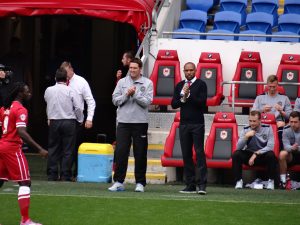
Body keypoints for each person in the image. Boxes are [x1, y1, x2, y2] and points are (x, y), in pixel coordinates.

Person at [0, 82, 48, 225]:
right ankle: (25, 220)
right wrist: (39, 148)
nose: (29, 93)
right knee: (25, 182)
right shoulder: (21, 110)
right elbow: (21, 132)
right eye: (27, 91)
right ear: (20, 93)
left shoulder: (4, 108)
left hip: (2, 146)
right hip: (12, 148)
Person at [109, 58, 153, 192]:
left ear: (140, 69)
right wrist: (126, 95)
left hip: (140, 123)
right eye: (131, 68)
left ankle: (140, 183)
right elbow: (115, 100)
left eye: (135, 68)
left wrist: (136, 94)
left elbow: (147, 102)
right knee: (121, 152)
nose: (132, 70)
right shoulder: (122, 82)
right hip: (123, 122)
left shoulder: (148, 83)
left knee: (140, 153)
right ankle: (118, 182)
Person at [171, 62, 208, 195]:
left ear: (195, 70)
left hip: (197, 124)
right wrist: (183, 97)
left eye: (191, 70)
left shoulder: (201, 84)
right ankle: (190, 185)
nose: (189, 72)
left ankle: (202, 185)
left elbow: (202, 103)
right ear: (183, 71)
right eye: (186, 70)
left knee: (199, 153)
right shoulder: (180, 85)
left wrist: (189, 94)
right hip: (184, 124)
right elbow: (174, 104)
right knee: (186, 155)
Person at [44, 68, 83, 181]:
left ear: (55, 78)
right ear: (66, 79)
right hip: (68, 121)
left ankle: (52, 174)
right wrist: (80, 119)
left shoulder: (48, 90)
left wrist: (49, 117)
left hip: (54, 121)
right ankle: (66, 174)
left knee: (53, 148)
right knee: (68, 149)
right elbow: (78, 107)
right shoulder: (70, 90)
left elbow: (48, 104)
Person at [60, 61, 96, 180]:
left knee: (74, 148)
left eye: (66, 72)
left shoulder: (81, 82)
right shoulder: (60, 81)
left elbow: (90, 101)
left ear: (71, 69)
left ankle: (75, 173)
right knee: (62, 147)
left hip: (76, 120)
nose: (65, 75)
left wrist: (89, 119)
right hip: (61, 118)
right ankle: (64, 173)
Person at [232, 110, 277, 190]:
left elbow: (270, 146)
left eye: (254, 121)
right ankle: (238, 181)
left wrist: (256, 154)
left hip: (262, 156)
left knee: (271, 155)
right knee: (236, 154)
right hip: (249, 156)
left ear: (260, 121)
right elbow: (238, 147)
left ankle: (271, 181)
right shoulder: (246, 129)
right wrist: (246, 137)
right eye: (250, 121)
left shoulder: (268, 128)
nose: (252, 123)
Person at [252, 74, 292, 150]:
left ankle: (280, 154)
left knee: (282, 130)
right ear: (267, 85)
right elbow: (252, 114)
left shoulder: (284, 98)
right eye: (270, 86)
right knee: (254, 130)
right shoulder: (259, 97)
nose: (272, 89)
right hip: (263, 123)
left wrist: (281, 111)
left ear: (277, 85)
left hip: (278, 123)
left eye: (274, 86)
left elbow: (290, 116)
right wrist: (262, 110)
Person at [279, 111, 300, 189]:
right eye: (291, 122)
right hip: (292, 154)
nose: (293, 124)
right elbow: (286, 146)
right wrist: (292, 148)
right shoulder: (286, 129)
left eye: (295, 122)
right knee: (282, 154)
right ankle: (283, 181)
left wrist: (297, 148)